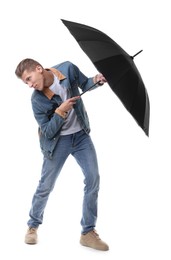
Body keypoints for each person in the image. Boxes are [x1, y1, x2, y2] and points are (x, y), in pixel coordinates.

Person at [15, 59, 109, 251]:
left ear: (39, 69)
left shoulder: (68, 68)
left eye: (29, 78)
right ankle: (32, 226)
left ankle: (88, 232)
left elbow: (85, 83)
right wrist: (60, 111)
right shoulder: (37, 100)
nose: (30, 85)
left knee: (93, 179)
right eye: (26, 82)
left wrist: (96, 80)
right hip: (58, 143)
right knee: (46, 185)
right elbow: (48, 131)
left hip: (81, 135)